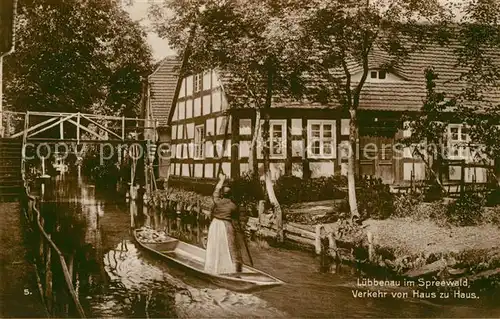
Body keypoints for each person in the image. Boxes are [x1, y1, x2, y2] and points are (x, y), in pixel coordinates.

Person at [204, 173, 246, 274]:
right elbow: (236, 221)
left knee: (215, 246)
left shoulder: (217, 201)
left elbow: (216, 191)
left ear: (223, 194)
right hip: (225, 226)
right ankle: (232, 270)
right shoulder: (233, 206)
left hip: (215, 225)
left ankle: (213, 269)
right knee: (228, 247)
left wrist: (221, 180)